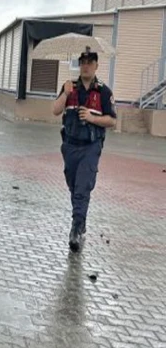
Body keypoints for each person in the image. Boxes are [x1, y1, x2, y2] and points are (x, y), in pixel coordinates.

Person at [52, 47, 117, 252]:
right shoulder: (69, 87)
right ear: (79, 65)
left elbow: (112, 121)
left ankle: (76, 229)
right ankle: (81, 220)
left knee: (82, 187)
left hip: (91, 146)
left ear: (96, 65)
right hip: (70, 146)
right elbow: (55, 110)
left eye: (90, 62)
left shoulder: (103, 91)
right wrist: (65, 94)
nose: (86, 66)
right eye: (83, 62)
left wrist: (91, 118)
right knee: (74, 186)